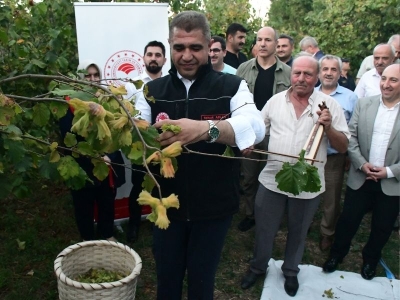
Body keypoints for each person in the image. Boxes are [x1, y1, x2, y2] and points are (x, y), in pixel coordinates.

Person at [134, 11, 265, 299]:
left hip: (214, 207)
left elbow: (255, 126)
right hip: (165, 204)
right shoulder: (152, 91)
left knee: (202, 283)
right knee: (166, 282)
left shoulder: (231, 86)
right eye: (179, 48)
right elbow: (136, 135)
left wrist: (207, 129)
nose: (187, 56)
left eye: (195, 47)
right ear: (171, 47)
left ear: (209, 46)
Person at [240, 54, 350, 297]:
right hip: (271, 179)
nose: (301, 78)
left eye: (308, 74)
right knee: (264, 230)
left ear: (317, 76)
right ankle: (258, 267)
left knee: (298, 232)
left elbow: (342, 147)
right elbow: (259, 130)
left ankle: (291, 270)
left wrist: (329, 127)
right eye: (297, 73)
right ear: (291, 74)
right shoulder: (275, 101)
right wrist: (248, 142)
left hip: (308, 184)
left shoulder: (329, 106)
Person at [322, 64, 400, 280]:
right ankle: (336, 255)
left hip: (392, 182)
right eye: (384, 79)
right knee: (348, 220)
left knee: (382, 226)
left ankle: (370, 260)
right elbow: (351, 137)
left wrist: (389, 172)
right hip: (360, 175)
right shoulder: (364, 104)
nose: (386, 84)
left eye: (393, 80)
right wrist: (361, 164)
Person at [59, 60, 126, 242]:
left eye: (96, 75)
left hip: (106, 162)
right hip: (81, 164)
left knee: (106, 201)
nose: (93, 79)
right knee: (83, 204)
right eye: (88, 75)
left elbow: (115, 132)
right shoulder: (69, 103)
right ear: (80, 79)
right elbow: (68, 135)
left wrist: (109, 155)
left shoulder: (108, 100)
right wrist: (95, 155)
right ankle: (87, 239)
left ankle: (107, 234)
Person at [236, 26, 291, 232]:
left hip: (276, 132)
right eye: (259, 39)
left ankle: (271, 216)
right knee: (249, 177)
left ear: (276, 44)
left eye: (267, 40)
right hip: (249, 131)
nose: (262, 43)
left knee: (274, 176)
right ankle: (250, 214)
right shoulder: (244, 69)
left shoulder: (287, 73)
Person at [125, 41, 167, 243]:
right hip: (140, 145)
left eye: (158, 55)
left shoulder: (170, 85)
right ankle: (133, 225)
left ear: (164, 60)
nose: (153, 58)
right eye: (150, 54)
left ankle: (158, 221)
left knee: (162, 184)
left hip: (164, 145)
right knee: (138, 185)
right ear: (143, 58)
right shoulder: (133, 85)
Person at [315, 55, 358, 251]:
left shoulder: (350, 97)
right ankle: (304, 225)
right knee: (307, 192)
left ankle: (327, 232)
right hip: (312, 154)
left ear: (340, 73)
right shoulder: (311, 94)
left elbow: (354, 130)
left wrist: (349, 154)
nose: (329, 73)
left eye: (333, 70)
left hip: (334, 156)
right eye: (325, 69)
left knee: (331, 198)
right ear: (319, 72)